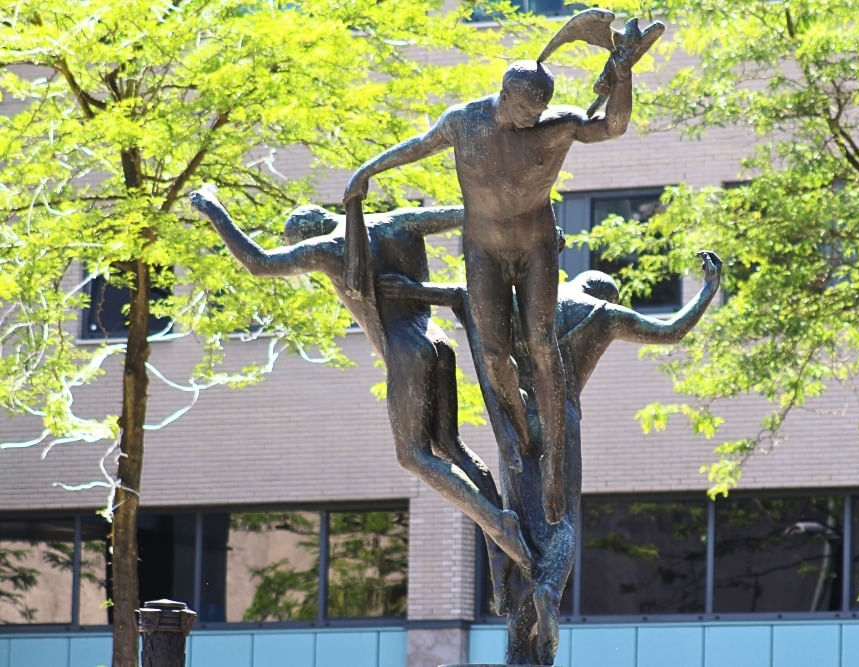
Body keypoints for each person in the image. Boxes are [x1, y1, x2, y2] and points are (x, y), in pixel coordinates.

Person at [381, 250, 722, 664]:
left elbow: (465, 295)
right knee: (559, 520)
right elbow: (671, 331)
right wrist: (707, 290)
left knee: (522, 522)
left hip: (516, 414)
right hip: (561, 421)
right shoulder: (603, 315)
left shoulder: (536, 303)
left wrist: (413, 291)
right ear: (607, 296)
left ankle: (518, 645)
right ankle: (547, 592)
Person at [343, 54, 636, 526]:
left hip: (537, 247)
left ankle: (555, 466)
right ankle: (518, 432)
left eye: (538, 112)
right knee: (496, 351)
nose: (531, 120)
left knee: (542, 346)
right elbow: (418, 145)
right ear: (505, 96)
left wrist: (622, 76)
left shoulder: (557, 127)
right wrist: (367, 172)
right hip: (483, 251)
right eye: (524, 111)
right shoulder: (464, 122)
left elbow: (612, 126)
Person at [188, 185, 533, 573]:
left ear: (305, 235)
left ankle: (497, 523)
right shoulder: (396, 221)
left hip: (406, 349)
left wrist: (215, 211)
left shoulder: (328, 249)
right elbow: (471, 212)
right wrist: (521, 222)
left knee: (413, 456)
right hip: (437, 341)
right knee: (450, 445)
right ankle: (499, 527)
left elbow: (259, 262)